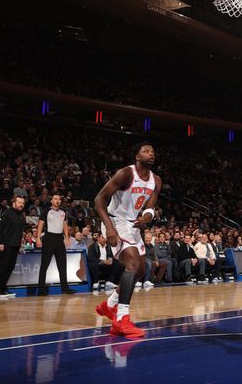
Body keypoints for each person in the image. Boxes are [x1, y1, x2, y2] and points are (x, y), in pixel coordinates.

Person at [94, 142, 162, 338]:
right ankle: (121, 320)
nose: (151, 154)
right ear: (137, 156)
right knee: (131, 264)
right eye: (146, 151)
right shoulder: (126, 174)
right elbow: (99, 199)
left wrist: (148, 217)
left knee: (140, 270)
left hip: (134, 225)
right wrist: (109, 228)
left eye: (153, 151)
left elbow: (150, 206)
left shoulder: (156, 180)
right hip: (115, 221)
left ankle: (110, 304)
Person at [35, 194, 75, 296]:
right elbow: (40, 224)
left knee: (62, 265)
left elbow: (65, 225)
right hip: (48, 238)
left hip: (59, 239)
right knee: (44, 265)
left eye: (59, 199)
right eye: (55, 199)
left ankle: (65, 288)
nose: (58, 201)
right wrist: (38, 238)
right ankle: (41, 289)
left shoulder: (63, 212)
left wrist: (66, 238)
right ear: (51, 201)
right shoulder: (46, 211)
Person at [0, 195, 26, 298]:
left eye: (23, 203)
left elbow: (19, 232)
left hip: (15, 245)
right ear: (13, 203)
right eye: (19, 202)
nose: (21, 205)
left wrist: (20, 244)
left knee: (10, 268)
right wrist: (0, 242)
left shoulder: (21, 215)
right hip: (6, 245)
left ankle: (3, 288)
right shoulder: (6, 213)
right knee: (3, 267)